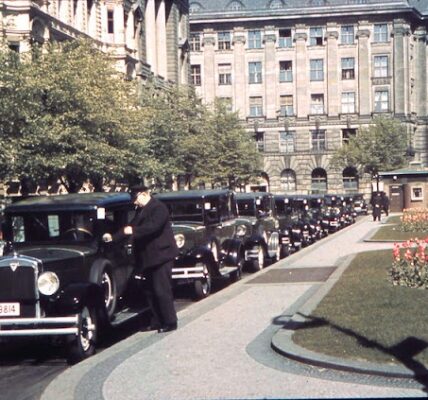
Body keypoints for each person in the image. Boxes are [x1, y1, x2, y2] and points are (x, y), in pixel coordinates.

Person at [103, 185, 178, 333]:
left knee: (161, 290)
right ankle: (157, 320)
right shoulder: (141, 210)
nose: (134, 203)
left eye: (136, 199)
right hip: (148, 258)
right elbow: (128, 228)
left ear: (144, 194)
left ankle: (170, 321)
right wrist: (113, 237)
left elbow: (153, 227)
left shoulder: (159, 208)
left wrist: (134, 231)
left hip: (161, 256)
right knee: (150, 291)